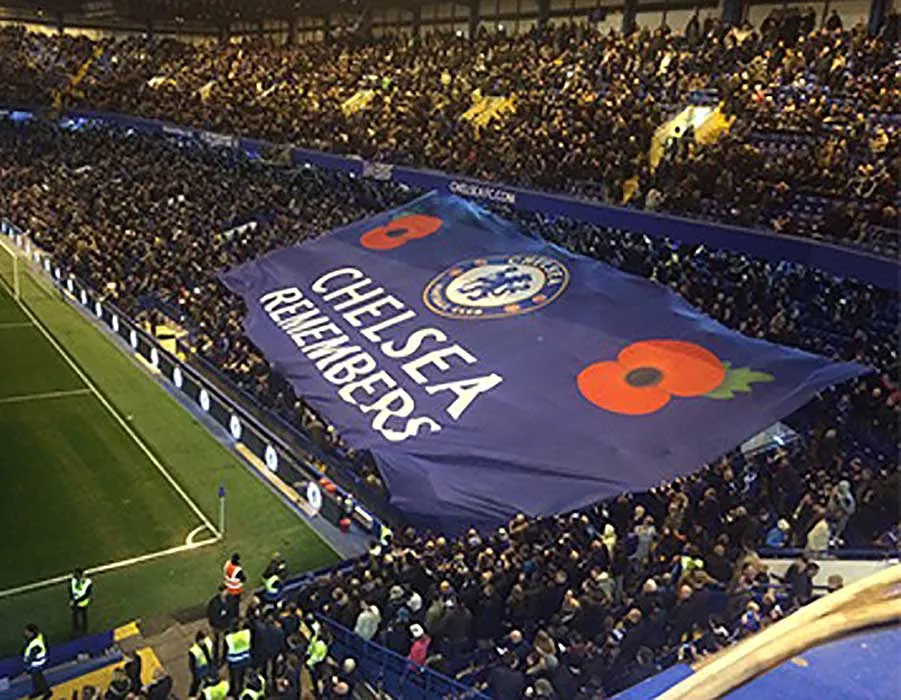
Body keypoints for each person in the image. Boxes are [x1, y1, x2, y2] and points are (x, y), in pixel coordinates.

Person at [207, 585, 239, 664]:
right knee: (216, 641)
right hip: (217, 626)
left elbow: (235, 610)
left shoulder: (231, 599)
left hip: (227, 624)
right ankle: (216, 658)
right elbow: (210, 614)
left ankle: (224, 657)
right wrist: (214, 624)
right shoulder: (214, 602)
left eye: (225, 591)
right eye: (222, 591)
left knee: (226, 640)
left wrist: (233, 620)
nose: (224, 593)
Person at [22, 624, 51, 700]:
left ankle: (46, 692)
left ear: (31, 632)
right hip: (38, 661)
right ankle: (39, 690)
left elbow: (33, 653)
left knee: (38, 677)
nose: (24, 632)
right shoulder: (38, 638)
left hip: (37, 662)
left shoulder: (35, 642)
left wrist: (28, 665)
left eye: (26, 631)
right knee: (35, 677)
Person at [225, 621, 252, 696]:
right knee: (241, 678)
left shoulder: (229, 638)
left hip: (234, 662)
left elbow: (225, 651)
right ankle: (240, 691)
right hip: (245, 660)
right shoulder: (245, 634)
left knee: (233, 679)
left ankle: (234, 693)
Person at [188, 630, 216, 696]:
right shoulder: (194, 650)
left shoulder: (208, 642)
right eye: (201, 640)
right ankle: (192, 695)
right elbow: (192, 664)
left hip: (208, 665)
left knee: (208, 681)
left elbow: (213, 651)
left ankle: (205, 693)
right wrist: (194, 673)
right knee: (197, 682)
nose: (202, 642)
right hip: (200, 668)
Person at [69, 569, 93, 637]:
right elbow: (70, 590)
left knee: (83, 616)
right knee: (75, 616)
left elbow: (86, 594)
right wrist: (71, 599)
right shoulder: (73, 581)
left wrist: (76, 601)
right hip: (75, 602)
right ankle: (76, 629)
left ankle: (84, 629)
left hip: (83, 603)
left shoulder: (87, 582)